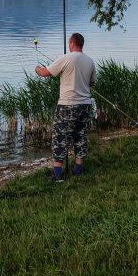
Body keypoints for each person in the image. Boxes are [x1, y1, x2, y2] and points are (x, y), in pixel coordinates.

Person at [35, 32, 96, 180]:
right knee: (80, 136)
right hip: (85, 106)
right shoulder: (90, 61)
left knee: (60, 137)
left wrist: (37, 68)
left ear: (72, 43)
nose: (68, 45)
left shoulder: (66, 58)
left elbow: (45, 73)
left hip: (68, 106)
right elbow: (92, 83)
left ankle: (57, 174)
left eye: (69, 43)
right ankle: (78, 170)